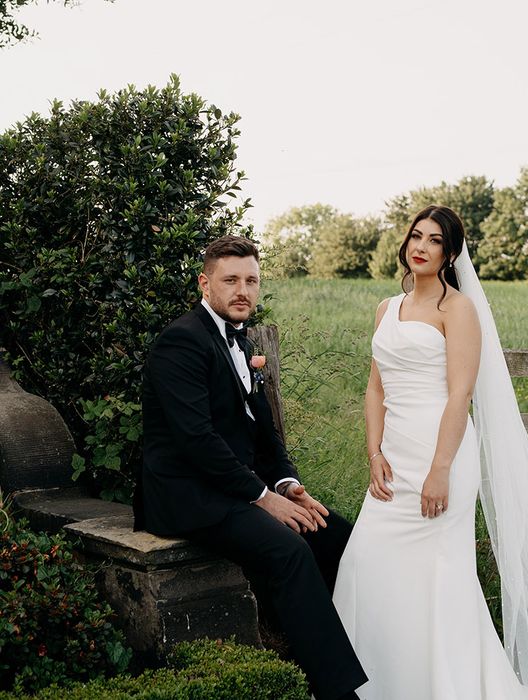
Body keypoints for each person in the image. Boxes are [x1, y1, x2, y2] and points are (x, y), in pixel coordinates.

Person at [332, 206, 528, 700]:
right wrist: (373, 453)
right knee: (364, 565)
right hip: (393, 463)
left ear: (450, 252)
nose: (420, 246)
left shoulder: (456, 309)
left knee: (438, 581)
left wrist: (440, 471)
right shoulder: (385, 308)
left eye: (434, 240)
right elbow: (375, 388)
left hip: (441, 458)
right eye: (415, 236)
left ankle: (446, 685)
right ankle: (379, 685)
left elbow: (460, 394)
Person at [134, 234, 367, 700]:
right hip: (187, 495)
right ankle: (337, 690)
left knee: (340, 537)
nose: (243, 290)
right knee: (289, 551)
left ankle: (369, 654)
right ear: (205, 283)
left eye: (252, 281)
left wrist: (288, 484)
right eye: (231, 280)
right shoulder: (181, 342)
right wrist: (264, 499)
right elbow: (198, 442)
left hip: (234, 488)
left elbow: (266, 434)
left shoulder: (238, 342)